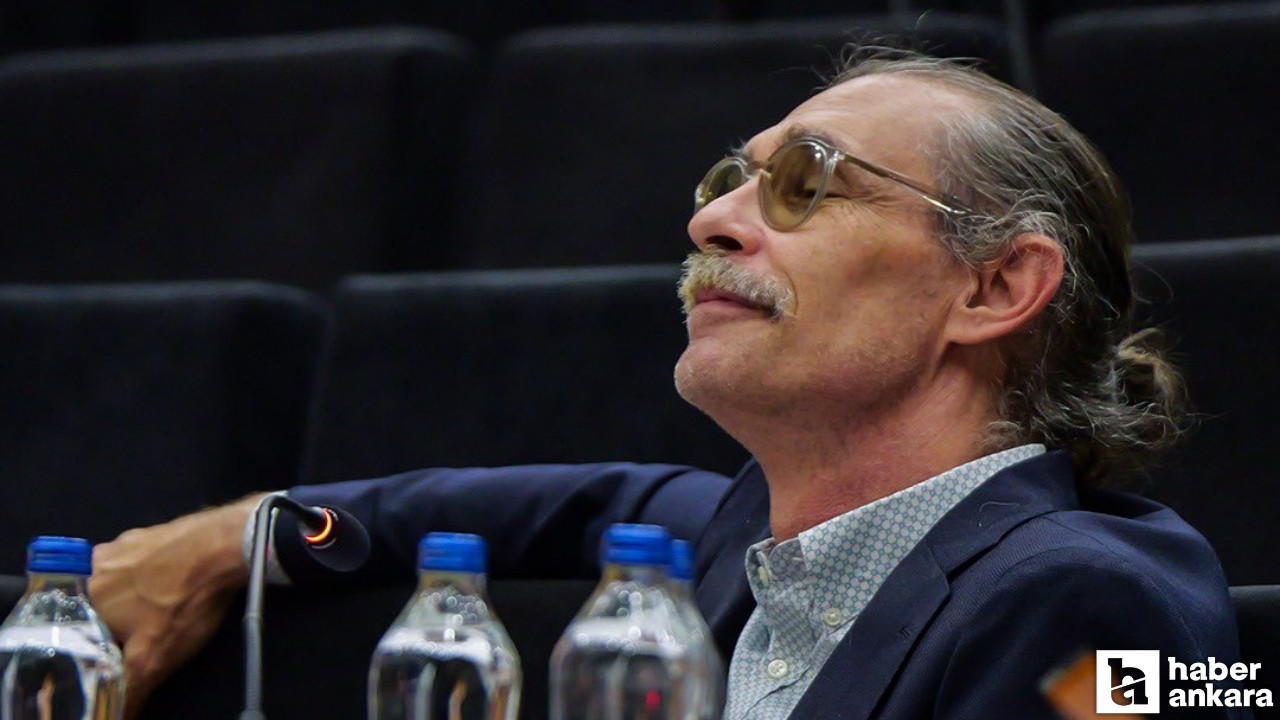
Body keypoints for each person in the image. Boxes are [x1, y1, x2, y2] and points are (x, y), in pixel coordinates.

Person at [90, 49, 1245, 719]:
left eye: (807, 183)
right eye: (728, 180)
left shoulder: (1103, 607)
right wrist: (249, 531)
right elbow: (545, 507)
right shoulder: (740, 534)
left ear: (993, 287)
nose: (710, 221)